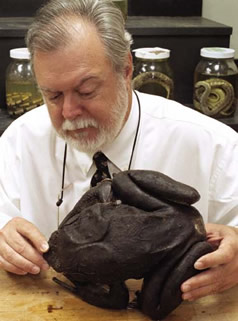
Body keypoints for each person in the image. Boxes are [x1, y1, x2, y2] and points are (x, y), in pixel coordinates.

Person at [0, 0, 237, 304]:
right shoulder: (21, 139)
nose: (70, 112)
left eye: (86, 91)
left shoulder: (211, 143)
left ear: (126, 69)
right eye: (53, 95)